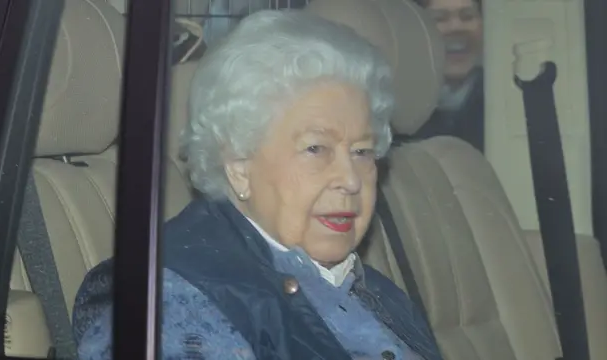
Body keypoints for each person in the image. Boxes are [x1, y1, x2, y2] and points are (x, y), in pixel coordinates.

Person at [72, 9, 442, 360]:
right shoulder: (172, 306)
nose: (349, 180)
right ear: (239, 168)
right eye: (315, 148)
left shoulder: (368, 289)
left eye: (362, 151)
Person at [414, 0, 485, 152]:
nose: (456, 27)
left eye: (467, 16)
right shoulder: (396, 109)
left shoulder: (505, 98)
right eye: (439, 18)